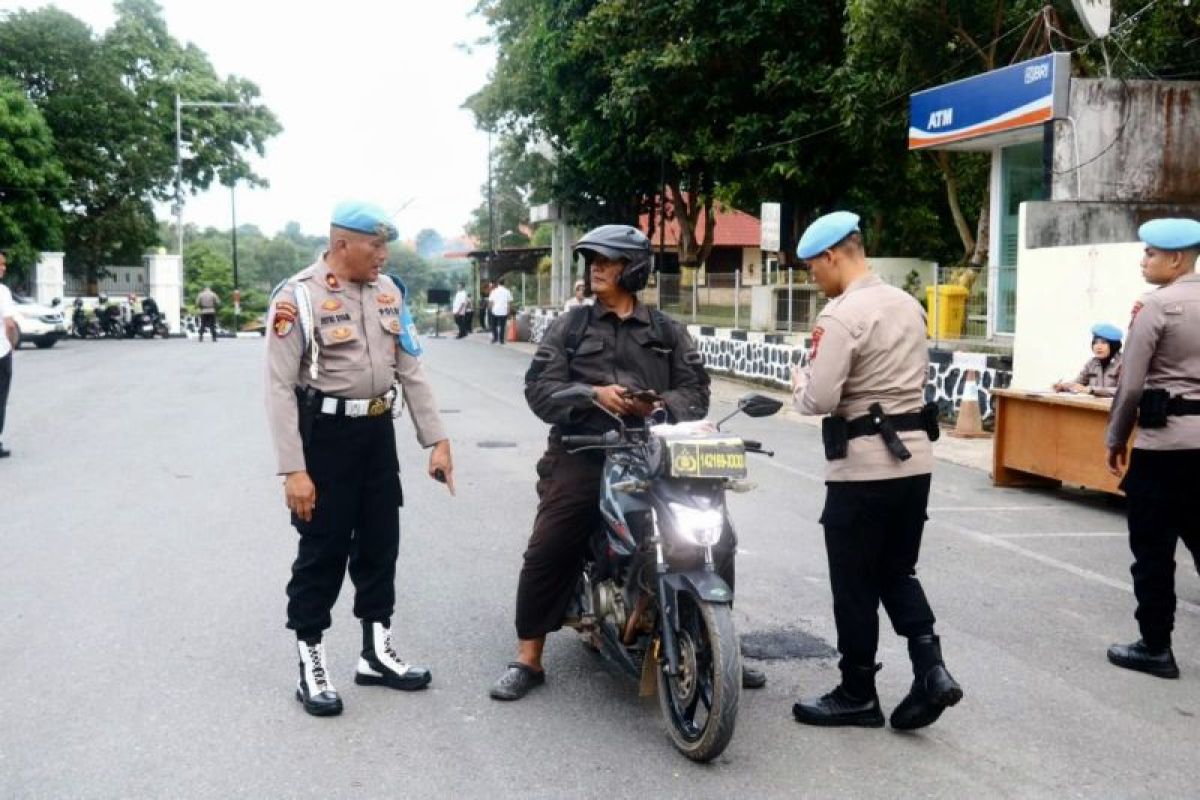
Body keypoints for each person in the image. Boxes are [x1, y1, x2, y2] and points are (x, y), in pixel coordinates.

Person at [488, 223, 765, 701]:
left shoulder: (666, 330)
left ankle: (715, 645)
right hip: (583, 448)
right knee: (551, 543)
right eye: (592, 258)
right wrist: (592, 394)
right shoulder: (570, 327)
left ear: (633, 269)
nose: (597, 266)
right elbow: (540, 390)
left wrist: (655, 406)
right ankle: (528, 657)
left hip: (655, 451)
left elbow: (696, 390)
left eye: (608, 259)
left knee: (716, 536)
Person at [265, 200, 456, 717]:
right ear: (342, 244)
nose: (384, 255)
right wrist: (294, 470)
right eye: (376, 245)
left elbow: (411, 366)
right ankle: (311, 659)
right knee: (322, 553)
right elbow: (280, 388)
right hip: (324, 439)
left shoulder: (390, 291)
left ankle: (375, 653)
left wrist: (435, 439)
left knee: (380, 546)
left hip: (377, 433)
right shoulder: (297, 297)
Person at [789, 211, 960, 730]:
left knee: (855, 584)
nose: (812, 278)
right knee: (897, 570)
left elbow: (818, 398)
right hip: (916, 465)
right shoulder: (908, 304)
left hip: (862, 470)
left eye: (812, 267)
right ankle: (930, 667)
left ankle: (858, 691)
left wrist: (799, 381)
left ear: (833, 255)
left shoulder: (841, 317)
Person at [1104, 217, 1200, 681]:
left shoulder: (1156, 308)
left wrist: (1115, 438)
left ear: (1177, 258)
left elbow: (1130, 386)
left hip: (1164, 448)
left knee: (1154, 553)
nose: (1144, 260)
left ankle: (1155, 647)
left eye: (1151, 253)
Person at [1053, 323, 1123, 396]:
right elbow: (1078, 383)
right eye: (1095, 343)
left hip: (1114, 406)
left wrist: (1091, 390)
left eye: (1103, 343)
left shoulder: (1123, 363)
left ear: (1113, 346)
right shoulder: (1092, 363)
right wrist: (1063, 386)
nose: (1098, 347)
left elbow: (1121, 391)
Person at [0, 251, 17, 458]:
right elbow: (10, 323)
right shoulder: (2, 291)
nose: (3, 267)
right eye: (1, 264)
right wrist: (13, 342)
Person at [488, 278, 513, 344]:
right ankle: (501, 340)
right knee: (502, 326)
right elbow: (509, 303)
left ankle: (495, 338)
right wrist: (508, 311)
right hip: (503, 311)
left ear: (498, 283)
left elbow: (491, 302)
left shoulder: (494, 291)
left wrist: (490, 309)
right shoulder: (507, 291)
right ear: (504, 283)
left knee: (493, 325)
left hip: (495, 311)